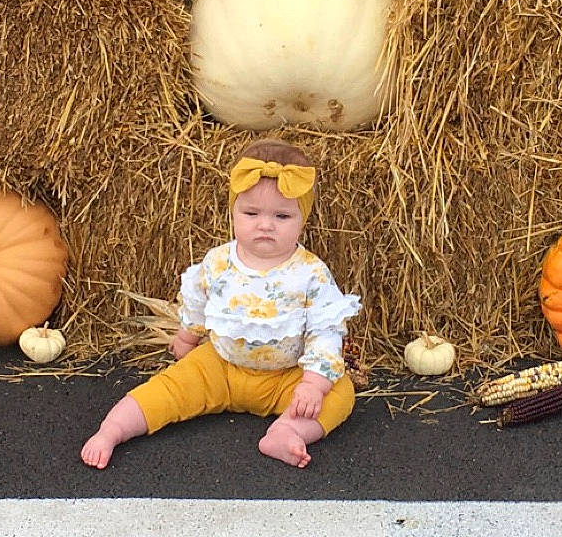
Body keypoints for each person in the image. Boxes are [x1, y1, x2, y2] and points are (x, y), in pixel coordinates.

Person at [80, 139, 361, 469]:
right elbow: (198, 301)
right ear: (233, 213)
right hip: (221, 366)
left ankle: (286, 431)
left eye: (282, 215)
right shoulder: (217, 262)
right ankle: (112, 430)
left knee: (339, 394)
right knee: (167, 389)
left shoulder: (311, 272)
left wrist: (314, 384)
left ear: (303, 219)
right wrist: (187, 336)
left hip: (286, 376)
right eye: (251, 213)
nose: (265, 224)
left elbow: (325, 329)